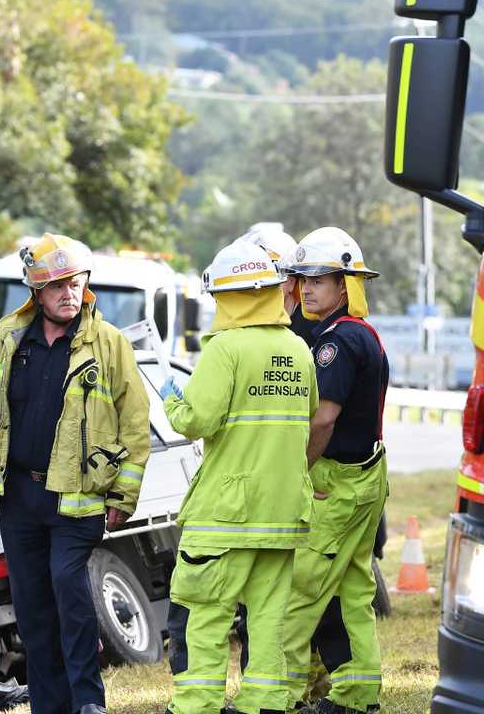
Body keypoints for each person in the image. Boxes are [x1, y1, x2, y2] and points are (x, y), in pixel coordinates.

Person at [0, 233, 150, 714]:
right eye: (57, 285)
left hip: (78, 499)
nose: (68, 293)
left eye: (75, 283)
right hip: (19, 497)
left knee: (68, 587)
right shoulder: (8, 343)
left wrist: (123, 494)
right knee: (33, 606)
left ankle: (88, 701)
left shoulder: (108, 343)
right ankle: (49, 705)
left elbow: (135, 421)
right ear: (36, 293)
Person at [158, 240, 317, 714]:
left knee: (204, 615)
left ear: (230, 297)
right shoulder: (298, 348)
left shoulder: (225, 348)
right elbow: (307, 417)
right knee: (269, 619)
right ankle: (264, 703)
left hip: (226, 515)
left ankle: (195, 706)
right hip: (283, 511)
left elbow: (195, 421)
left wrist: (170, 398)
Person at [281, 227, 390, 714]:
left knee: (300, 592)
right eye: (303, 278)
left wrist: (295, 473)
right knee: (353, 591)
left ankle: (274, 696)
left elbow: (323, 418)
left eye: (319, 280)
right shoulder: (358, 333)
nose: (307, 289)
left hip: (336, 485)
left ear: (346, 285)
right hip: (365, 477)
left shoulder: (338, 342)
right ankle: (357, 694)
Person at [238, 223, 316, 345]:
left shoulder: (314, 330)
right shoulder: (245, 327)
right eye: (250, 277)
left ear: (291, 282)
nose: (257, 285)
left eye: (268, 277)